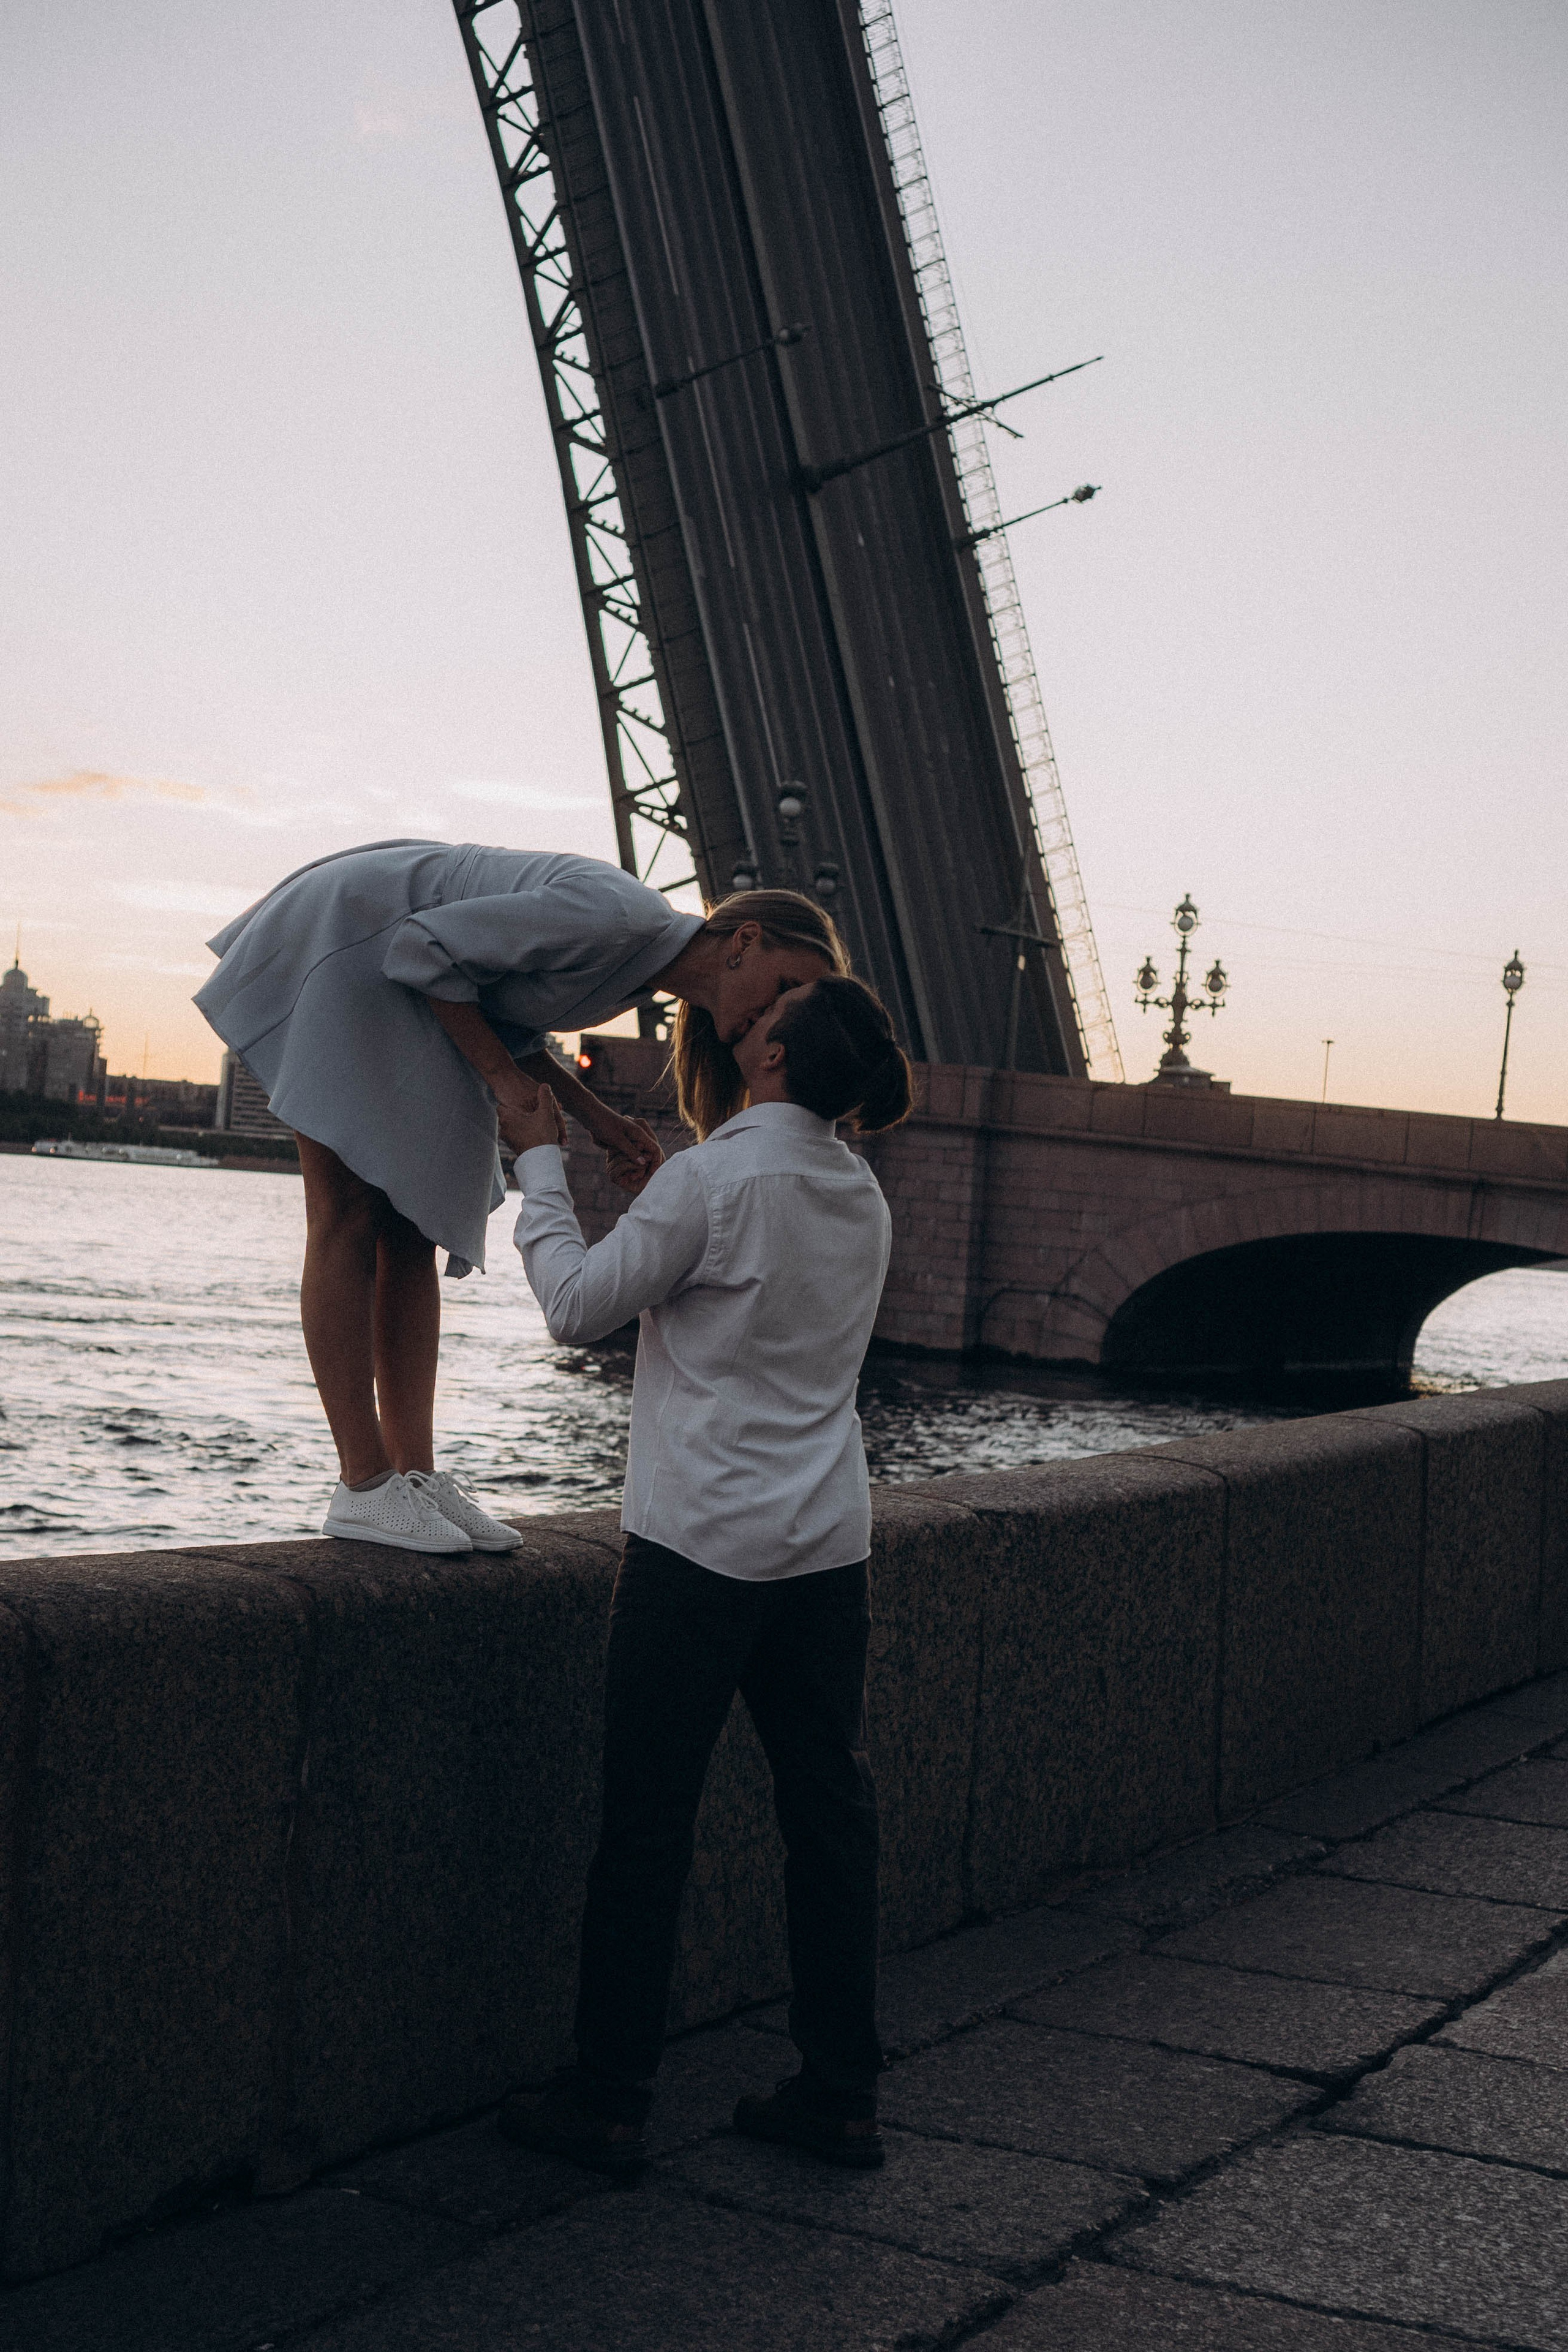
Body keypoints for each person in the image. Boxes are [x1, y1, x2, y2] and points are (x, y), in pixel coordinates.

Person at [498, 970, 913, 2177]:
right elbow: (743, 1290)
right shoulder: (855, 1192)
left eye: (764, 1019)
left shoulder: (714, 1179)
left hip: (698, 1555)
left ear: (775, 1063)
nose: (743, 1019)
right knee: (827, 1821)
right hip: (823, 1552)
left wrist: (536, 1162)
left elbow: (575, 1307)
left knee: (645, 1829)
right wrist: (661, 1206)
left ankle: (609, 2098)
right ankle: (840, 2092)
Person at [194, 843, 845, 1553]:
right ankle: (362, 1483)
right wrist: (505, 1086)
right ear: (744, 942)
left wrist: (596, 1120)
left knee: (411, 1226)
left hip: (394, 968)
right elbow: (422, 948)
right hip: (351, 940)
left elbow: (502, 1012)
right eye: (784, 988)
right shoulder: (618, 918)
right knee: (347, 1213)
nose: (776, 1017)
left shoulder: (637, 965)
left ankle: (413, 1478)